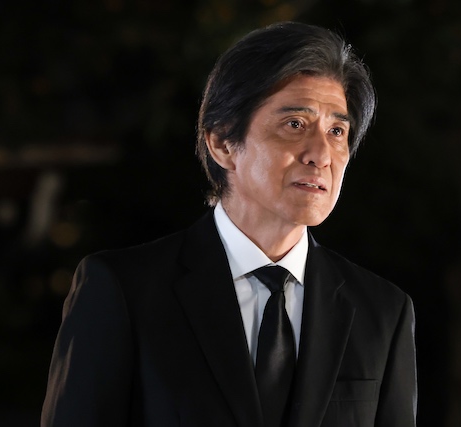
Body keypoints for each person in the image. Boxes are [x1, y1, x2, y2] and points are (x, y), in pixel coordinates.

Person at [41, 21, 417, 427]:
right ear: (222, 143)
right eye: (295, 124)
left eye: (337, 131)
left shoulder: (383, 311)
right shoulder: (122, 291)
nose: (321, 154)